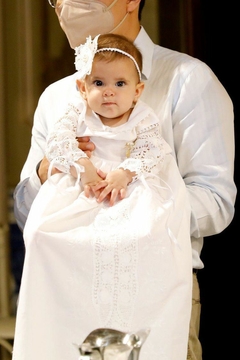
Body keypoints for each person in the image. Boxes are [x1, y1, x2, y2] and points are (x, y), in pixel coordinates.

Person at [13, 0, 237, 359]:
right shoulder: (58, 96)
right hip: (63, 292)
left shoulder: (186, 79)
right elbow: (26, 211)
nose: (65, 6)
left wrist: (129, 212)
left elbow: (216, 201)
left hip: (154, 286)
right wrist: (48, 169)